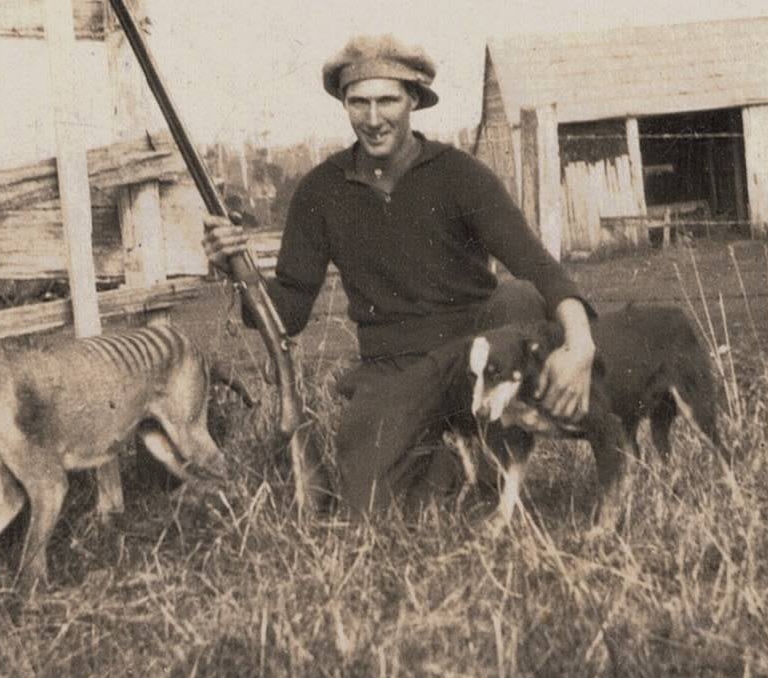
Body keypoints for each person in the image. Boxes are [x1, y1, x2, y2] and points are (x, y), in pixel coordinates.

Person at [202, 34, 596, 514]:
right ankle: (445, 462)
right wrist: (236, 270)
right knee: (370, 509)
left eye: (387, 100)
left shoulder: (460, 174)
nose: (373, 118)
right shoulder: (320, 191)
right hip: (392, 370)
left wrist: (580, 345)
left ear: (415, 99)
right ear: (344, 104)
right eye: (358, 102)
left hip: (473, 353)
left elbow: (537, 267)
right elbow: (290, 311)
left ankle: (494, 464)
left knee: (518, 299)